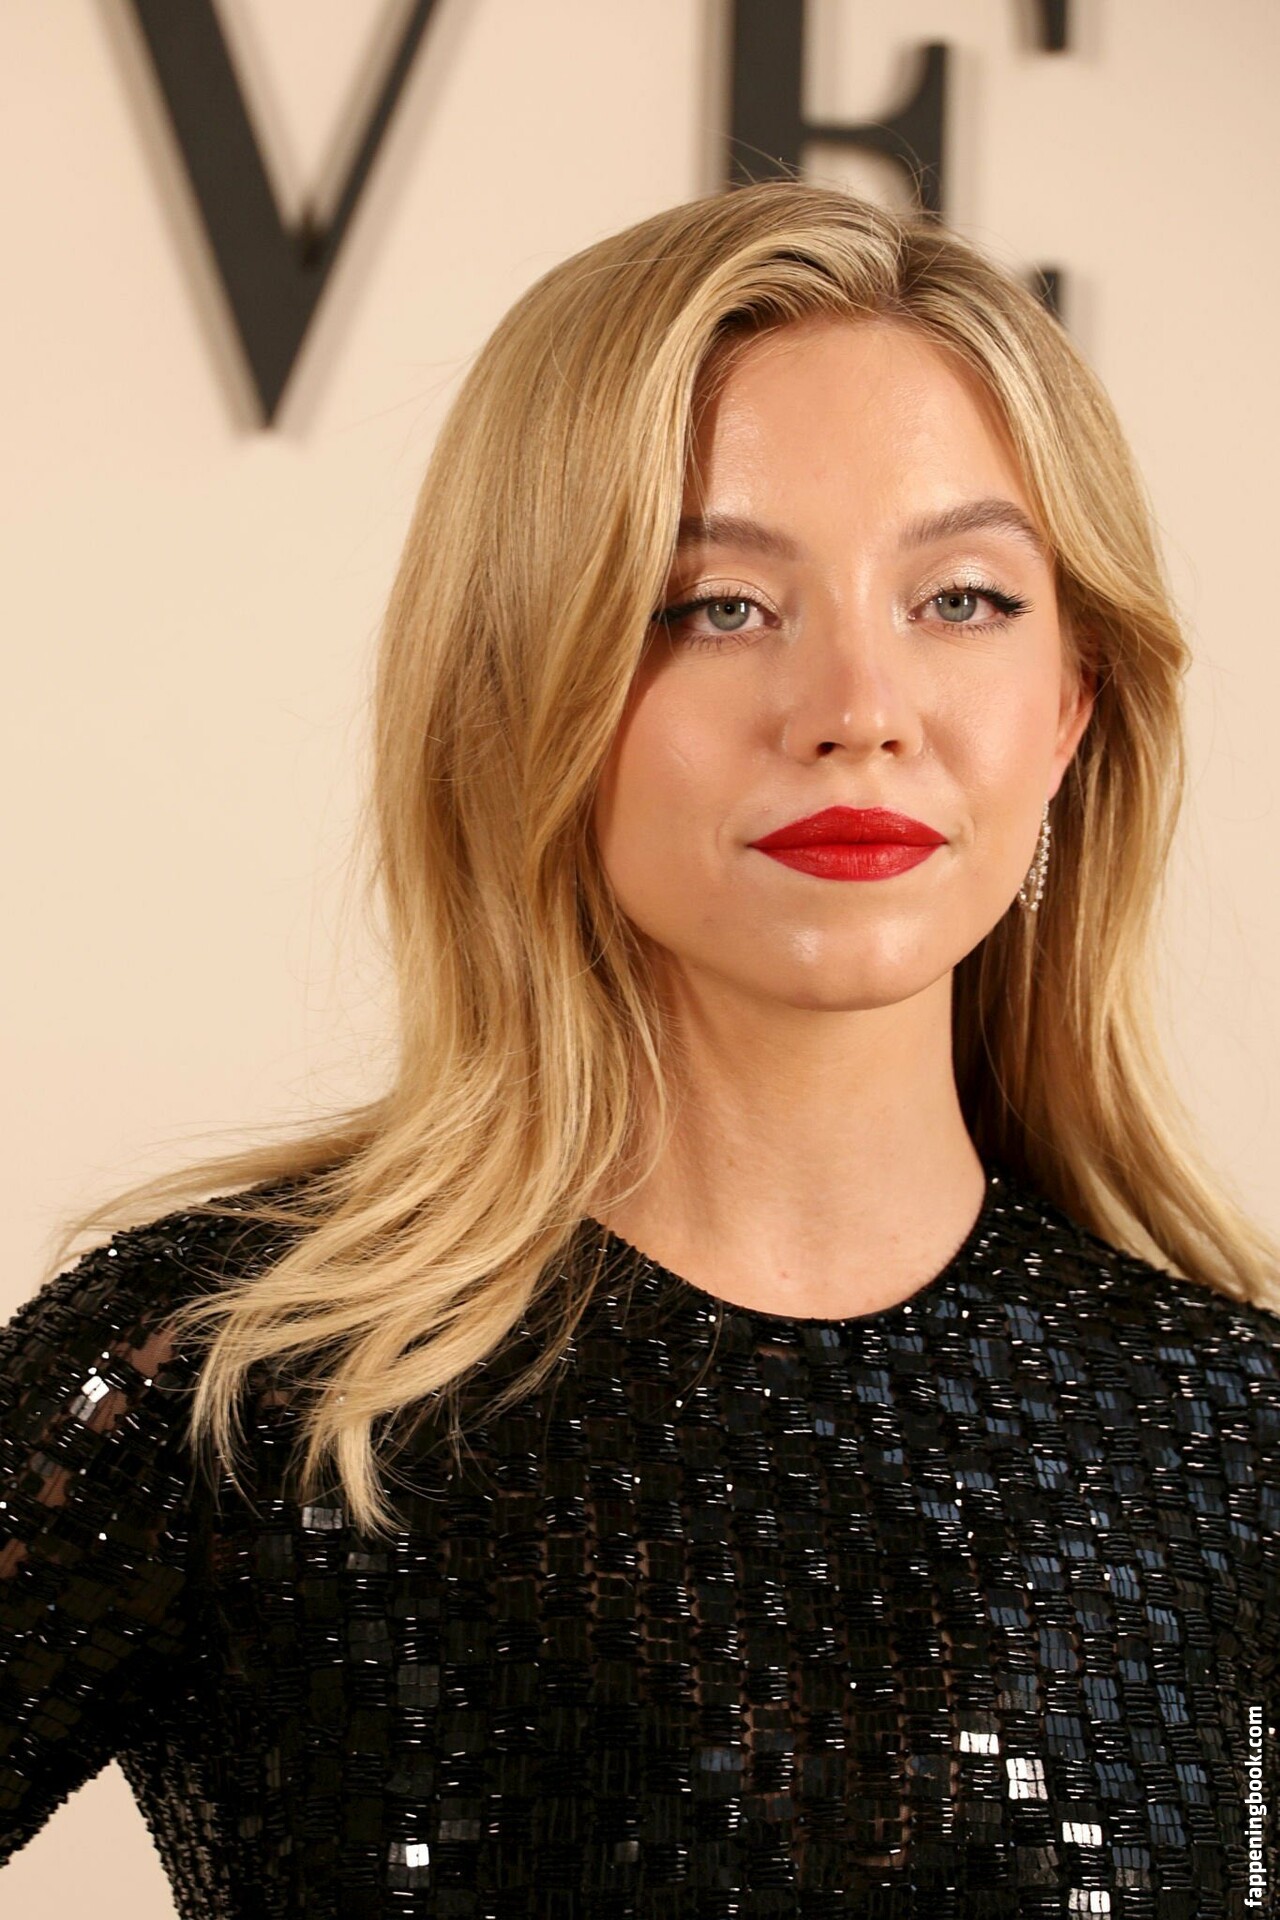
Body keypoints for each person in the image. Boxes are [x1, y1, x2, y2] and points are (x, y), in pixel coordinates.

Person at [2, 181, 1278, 1916]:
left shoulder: (1228, 1432)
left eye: (965, 598)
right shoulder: (224, 1388)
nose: (858, 710)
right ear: (521, 686)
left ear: (1071, 704)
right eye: (719, 605)